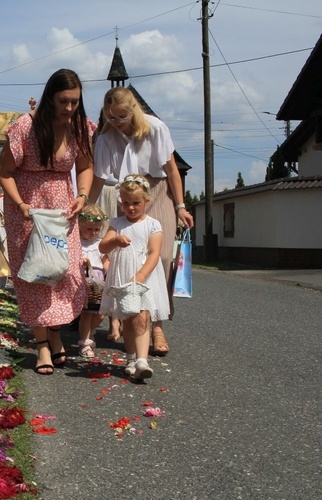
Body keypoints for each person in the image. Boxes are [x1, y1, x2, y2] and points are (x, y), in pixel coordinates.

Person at [0, 68, 96, 375]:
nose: (69, 108)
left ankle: (55, 333)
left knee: (64, 272)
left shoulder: (80, 127)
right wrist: (20, 204)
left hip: (62, 207)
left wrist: (82, 195)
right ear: (49, 97)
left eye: (75, 102)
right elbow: (4, 172)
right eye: (63, 101)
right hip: (27, 208)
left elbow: (85, 166)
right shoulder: (25, 127)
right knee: (38, 273)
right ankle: (42, 344)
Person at [90, 86, 194, 356]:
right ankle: (126, 317)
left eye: (121, 117)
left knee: (162, 258)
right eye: (110, 118)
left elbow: (172, 169)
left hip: (158, 192)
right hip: (125, 195)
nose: (116, 123)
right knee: (124, 258)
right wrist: (87, 207)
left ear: (133, 110)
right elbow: (100, 178)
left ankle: (158, 324)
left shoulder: (156, 127)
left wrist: (181, 206)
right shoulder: (105, 139)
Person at [98, 175, 169, 380]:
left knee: (143, 316)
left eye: (136, 203)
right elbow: (103, 246)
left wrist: (141, 275)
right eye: (126, 203)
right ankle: (130, 358)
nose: (130, 208)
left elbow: (154, 252)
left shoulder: (153, 224)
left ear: (147, 200)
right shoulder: (116, 223)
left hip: (144, 276)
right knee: (128, 318)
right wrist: (115, 241)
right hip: (122, 274)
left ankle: (142, 360)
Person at [77, 203, 111, 358]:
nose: (93, 233)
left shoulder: (100, 242)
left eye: (96, 229)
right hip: (84, 280)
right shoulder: (77, 243)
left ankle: (91, 333)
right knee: (87, 314)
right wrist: (80, 261)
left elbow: (105, 259)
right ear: (80, 225)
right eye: (89, 229)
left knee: (100, 314)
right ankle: (85, 341)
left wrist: (109, 270)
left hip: (99, 282)